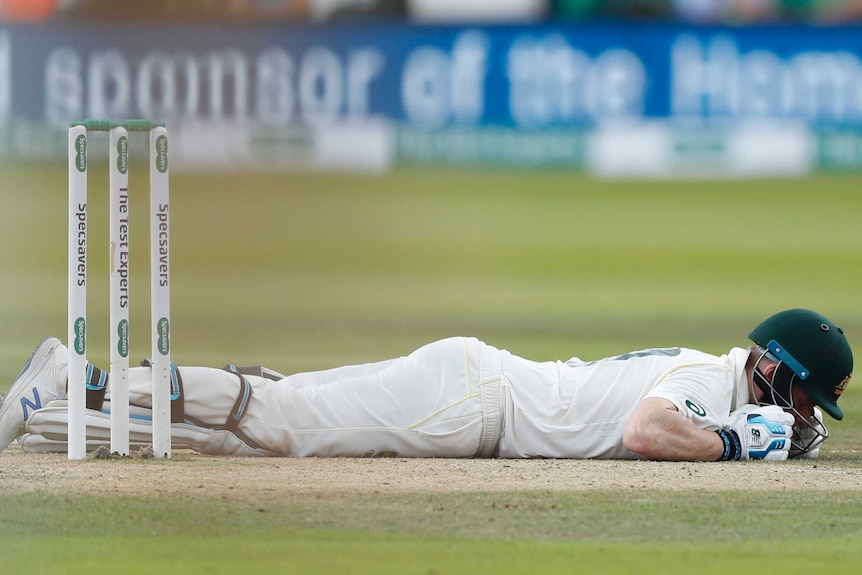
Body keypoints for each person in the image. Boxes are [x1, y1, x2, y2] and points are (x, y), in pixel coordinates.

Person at [0, 308, 852, 461]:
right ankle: (90, 375)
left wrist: (737, 435)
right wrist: (732, 441)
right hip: (474, 403)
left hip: (469, 386)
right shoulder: (710, 378)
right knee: (289, 419)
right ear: (773, 368)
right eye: (807, 399)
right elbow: (645, 431)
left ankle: (65, 406)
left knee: (260, 428)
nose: (808, 419)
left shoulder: (718, 378)